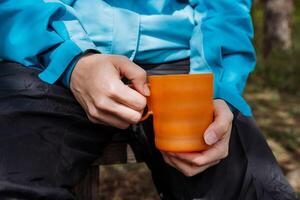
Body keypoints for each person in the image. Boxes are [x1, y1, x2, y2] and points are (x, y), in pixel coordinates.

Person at [0, 0, 297, 199]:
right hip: (49, 59)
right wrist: (72, 61)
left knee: (252, 186)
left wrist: (217, 88)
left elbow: (224, 9)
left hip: (186, 67)